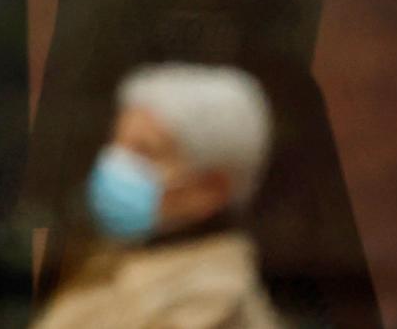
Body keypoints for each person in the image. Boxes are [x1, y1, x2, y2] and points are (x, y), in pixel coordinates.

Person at [36, 65, 284, 329]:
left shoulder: (212, 300)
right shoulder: (116, 264)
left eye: (145, 152)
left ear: (210, 190)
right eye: (116, 143)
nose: (115, 163)